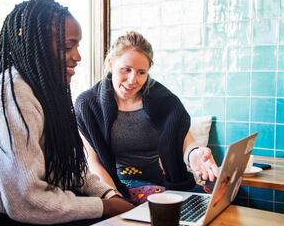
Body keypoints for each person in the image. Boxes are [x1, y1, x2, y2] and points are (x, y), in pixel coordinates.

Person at [0, 0, 133, 225]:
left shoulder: (44, 91)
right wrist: (105, 207)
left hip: (38, 211)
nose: (78, 56)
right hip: (2, 219)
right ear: (36, 45)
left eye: (78, 46)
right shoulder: (13, 98)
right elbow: (26, 202)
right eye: (67, 47)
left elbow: (71, 170)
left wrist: (109, 195)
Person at [75, 31, 219, 203]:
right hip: (117, 185)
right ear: (111, 64)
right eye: (126, 70)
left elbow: (184, 140)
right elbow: (94, 163)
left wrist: (195, 153)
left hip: (164, 183)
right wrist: (114, 199)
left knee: (213, 202)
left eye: (141, 72)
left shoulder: (165, 101)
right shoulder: (88, 105)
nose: (132, 80)